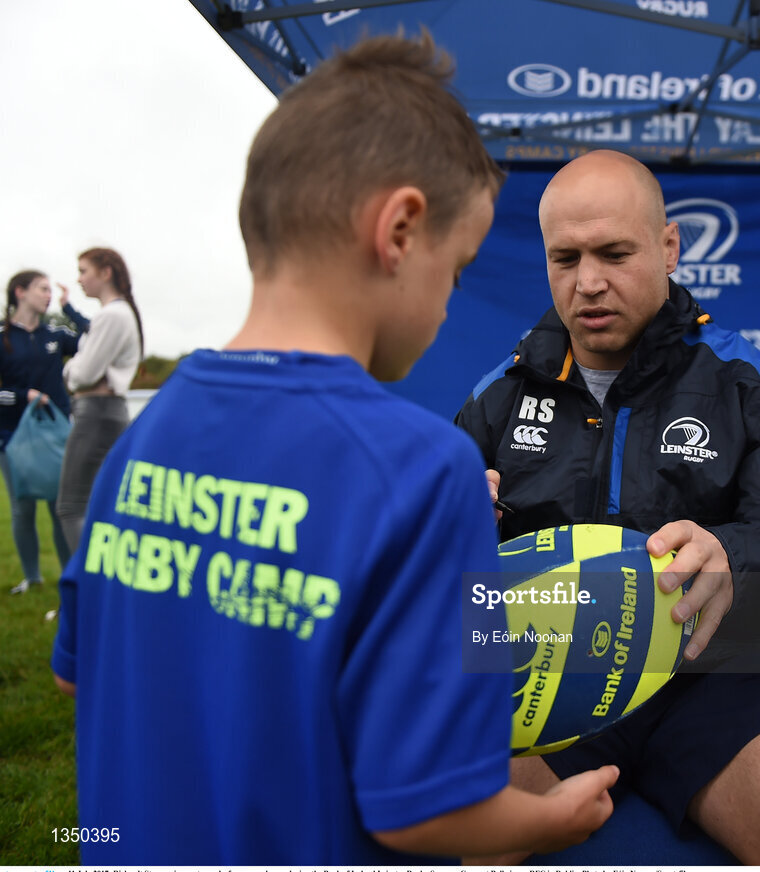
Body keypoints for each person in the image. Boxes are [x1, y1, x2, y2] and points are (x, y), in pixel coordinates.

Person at [50, 32, 617, 865]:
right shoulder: (428, 470)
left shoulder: (147, 438)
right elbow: (422, 812)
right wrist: (554, 819)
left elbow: (76, 672)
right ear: (399, 231)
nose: (448, 305)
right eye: (455, 271)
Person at [456, 149, 760, 864]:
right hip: (550, 675)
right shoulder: (496, 397)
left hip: (719, 668)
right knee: (451, 824)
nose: (588, 282)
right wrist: (454, 536)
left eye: (615, 252)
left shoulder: (755, 385)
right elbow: (432, 589)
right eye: (565, 258)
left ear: (668, 248)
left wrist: (733, 557)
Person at [1, 271, 89, 594]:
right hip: (14, 438)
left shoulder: (57, 334)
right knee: (22, 508)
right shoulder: (2, 337)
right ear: (20, 293)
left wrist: (70, 309)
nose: (48, 295)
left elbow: (97, 337)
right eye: (42, 289)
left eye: (50, 291)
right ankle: (32, 578)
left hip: (55, 437)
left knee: (59, 509)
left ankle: (70, 578)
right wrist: (22, 394)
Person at [56, 246, 143, 553]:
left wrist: (69, 368)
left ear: (105, 273)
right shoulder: (115, 315)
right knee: (98, 506)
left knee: (71, 507)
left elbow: (82, 374)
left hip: (97, 413)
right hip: (102, 412)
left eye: (83, 271)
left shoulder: (113, 315)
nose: (79, 279)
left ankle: (86, 594)